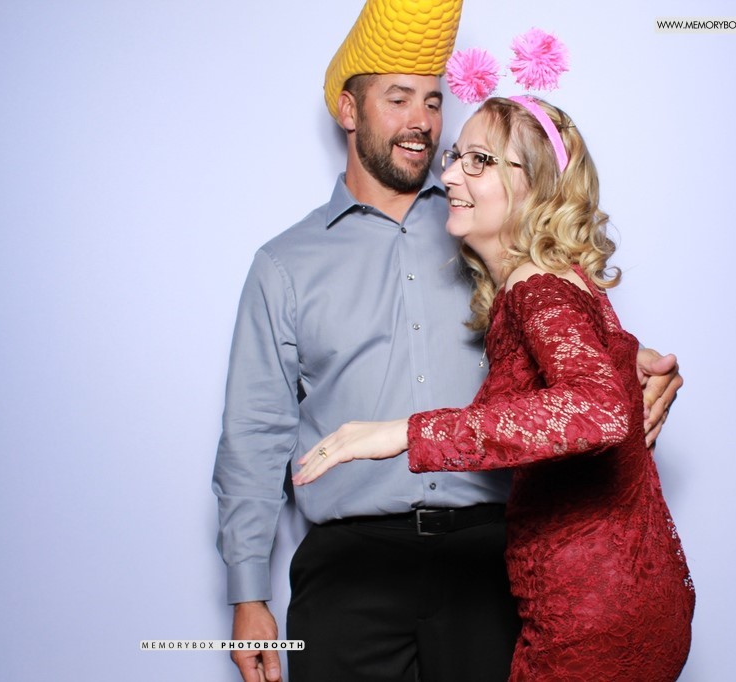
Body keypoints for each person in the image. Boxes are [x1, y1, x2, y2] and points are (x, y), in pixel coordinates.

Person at [213, 2, 683, 681]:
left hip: (487, 561)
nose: (422, 122)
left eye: (434, 102)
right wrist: (247, 592)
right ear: (349, 111)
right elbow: (254, 433)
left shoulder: (488, 227)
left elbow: (567, 349)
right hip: (351, 567)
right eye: (398, 99)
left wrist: (637, 367)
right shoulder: (285, 265)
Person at [294, 95, 695, 681]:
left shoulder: (537, 285)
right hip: (626, 598)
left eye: (479, 160)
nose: (451, 175)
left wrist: (405, 432)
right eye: (456, 156)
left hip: (593, 617)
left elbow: (598, 411)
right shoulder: (559, 281)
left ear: (537, 186)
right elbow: (601, 382)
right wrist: (641, 364)